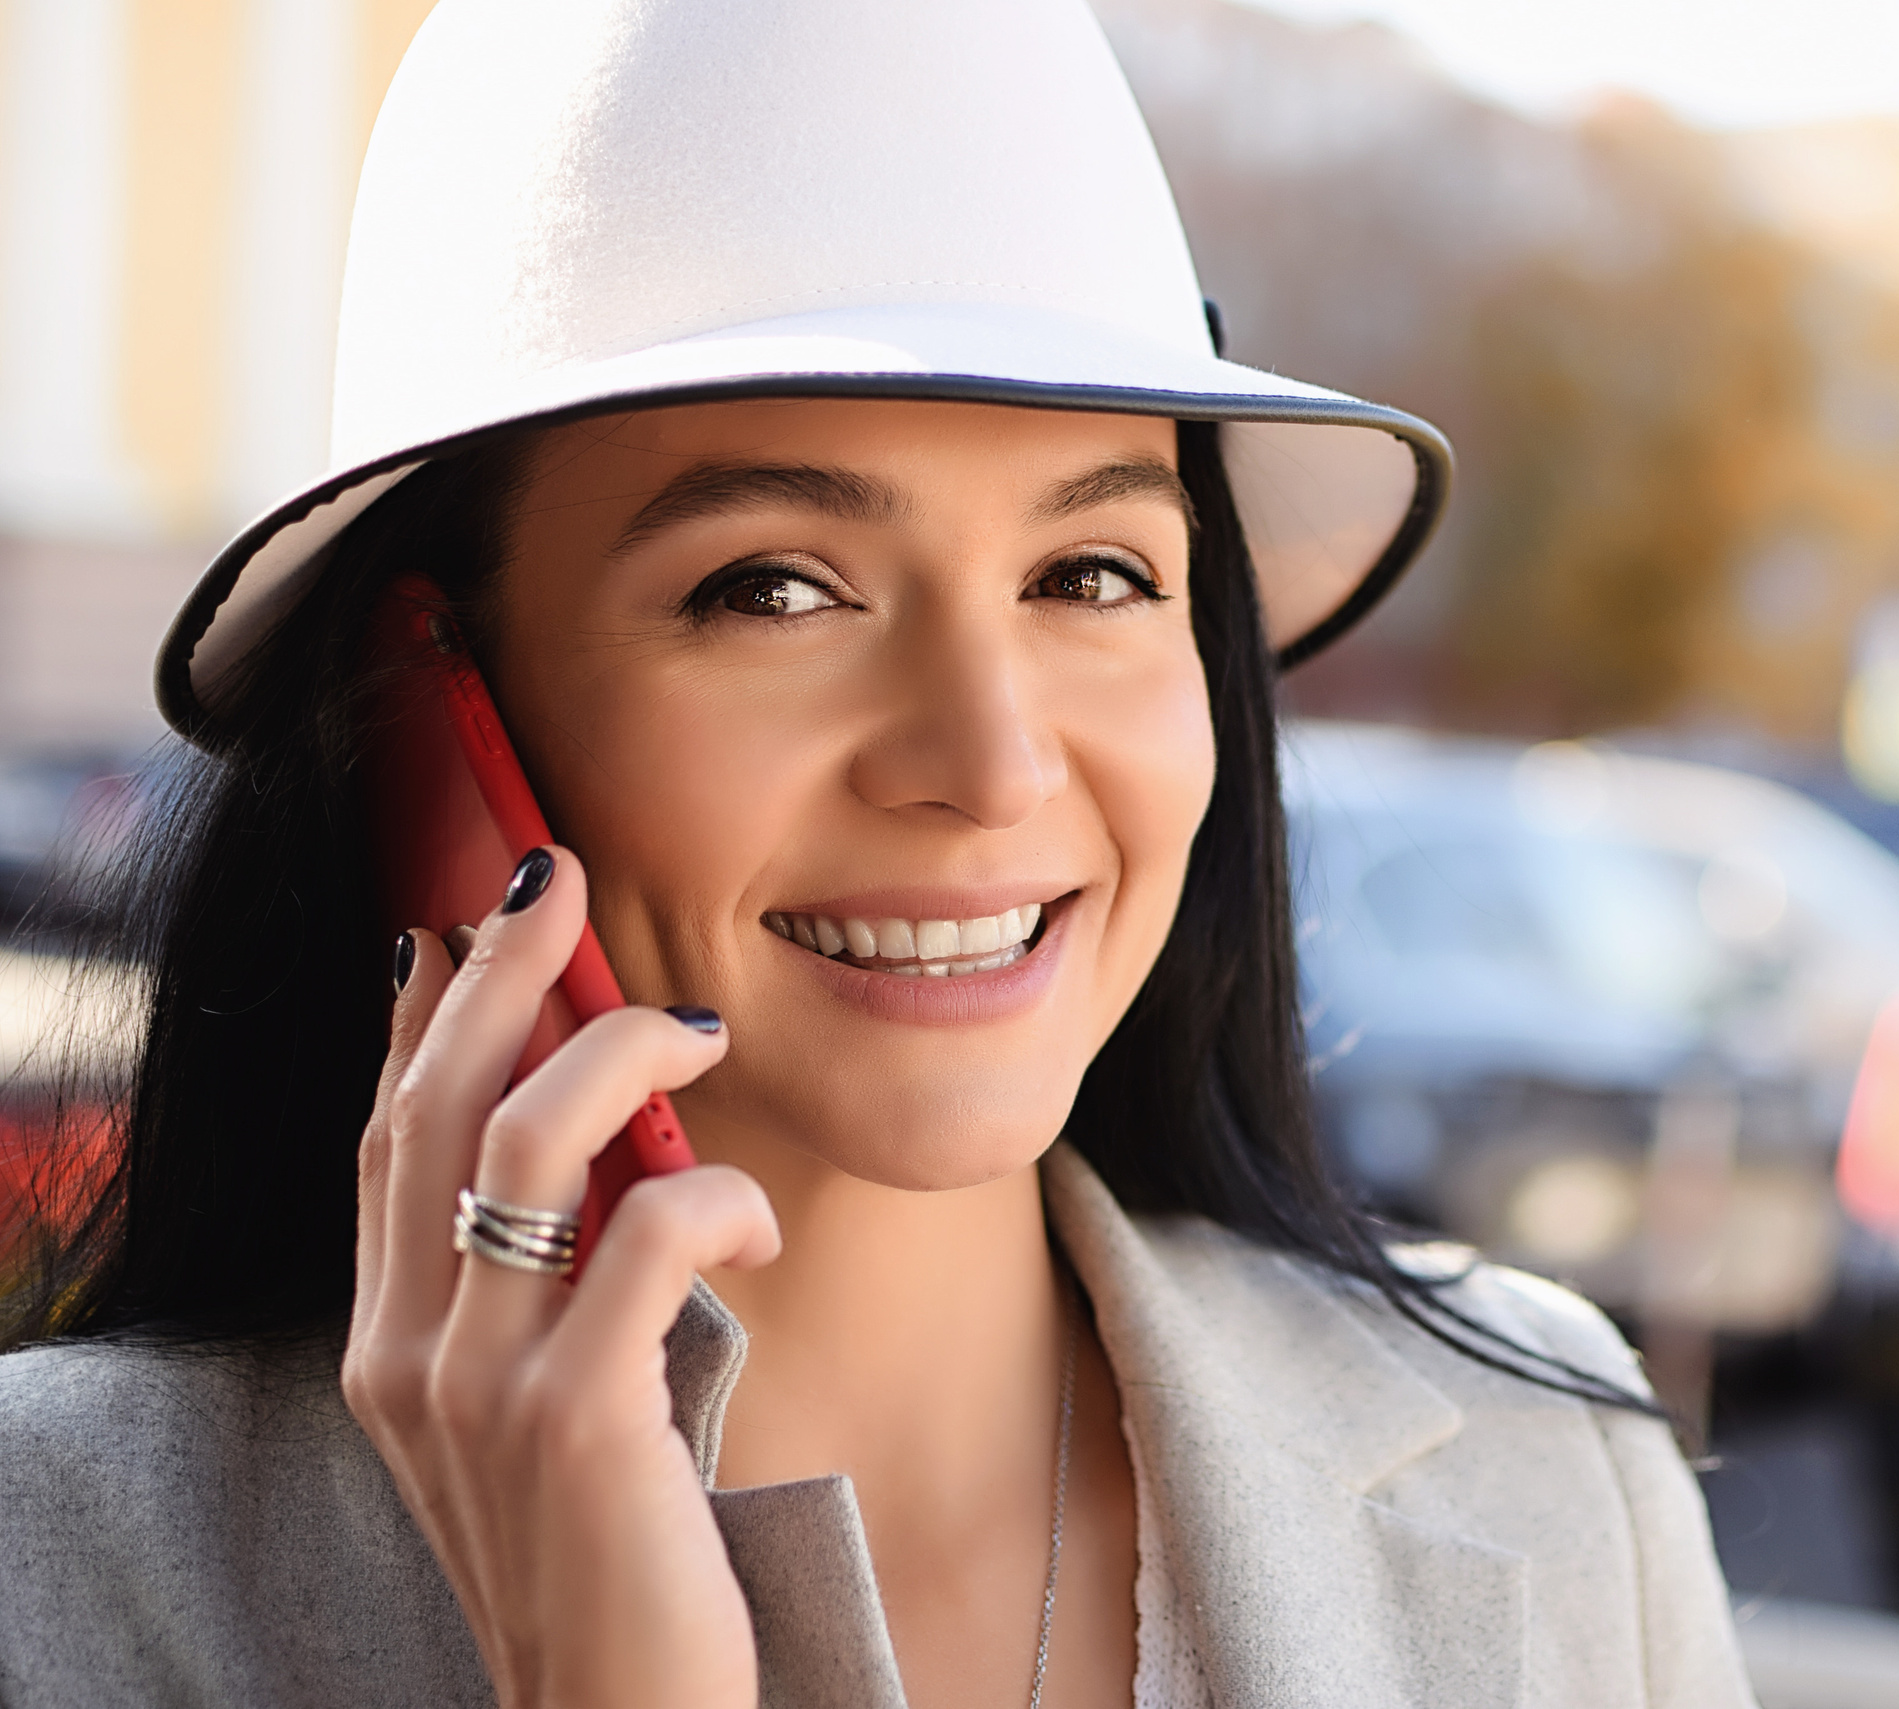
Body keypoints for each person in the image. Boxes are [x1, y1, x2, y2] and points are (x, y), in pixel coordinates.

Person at [0, 4, 1759, 1706]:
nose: (992, 765)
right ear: (429, 721)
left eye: (1095, 573)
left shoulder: (1555, 1466)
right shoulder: (55, 1568)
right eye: (773, 587)